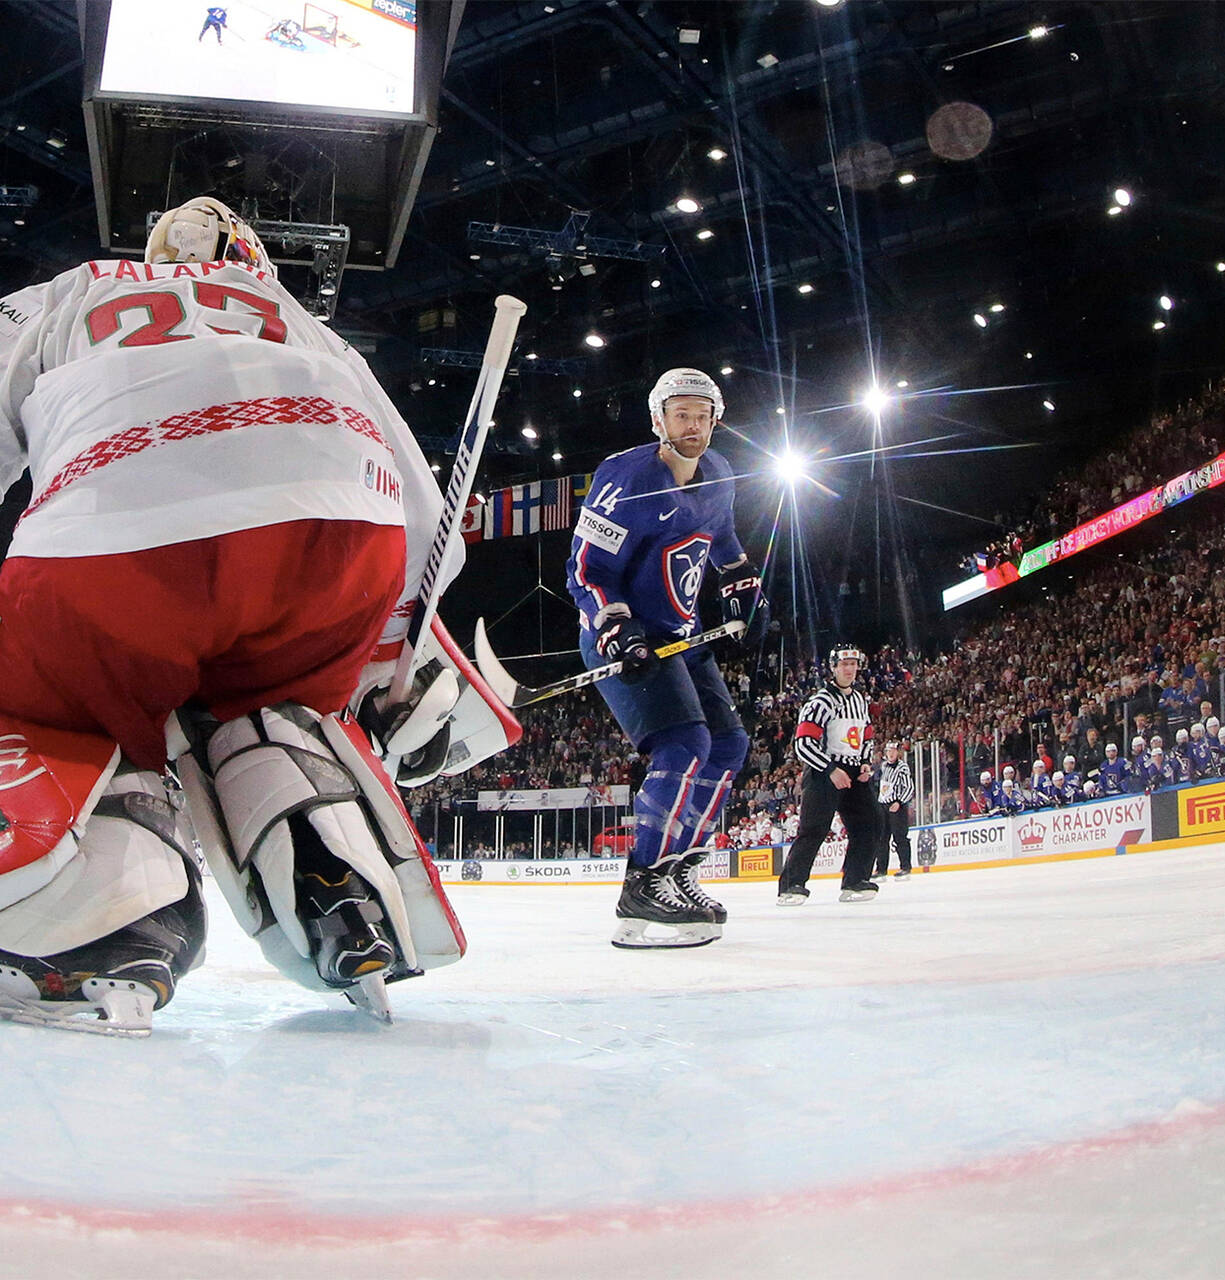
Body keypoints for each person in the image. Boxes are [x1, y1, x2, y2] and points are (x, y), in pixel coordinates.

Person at [0, 196, 506, 1034]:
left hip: (121, 517)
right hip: (339, 527)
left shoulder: (70, 289)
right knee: (276, 710)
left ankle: (102, 921)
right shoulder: (295, 317)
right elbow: (424, 514)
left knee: (57, 699)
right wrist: (391, 670)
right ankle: (340, 882)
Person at [566, 368, 764, 948]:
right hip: (625, 637)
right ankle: (642, 885)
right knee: (684, 745)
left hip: (685, 635)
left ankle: (679, 869)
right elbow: (586, 569)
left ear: (716, 420)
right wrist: (615, 625)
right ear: (658, 420)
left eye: (703, 415)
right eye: (681, 414)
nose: (694, 425)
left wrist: (742, 584)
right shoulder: (625, 476)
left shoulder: (721, 473)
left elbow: (723, 543)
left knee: (729, 744)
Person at [776, 645, 878, 905]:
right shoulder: (820, 701)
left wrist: (865, 762)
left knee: (870, 823)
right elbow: (803, 743)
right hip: (824, 771)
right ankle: (791, 885)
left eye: (853, 664)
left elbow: (866, 735)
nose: (849, 669)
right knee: (814, 829)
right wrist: (830, 770)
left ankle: (855, 880)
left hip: (854, 771)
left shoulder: (859, 700)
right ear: (833, 667)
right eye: (844, 664)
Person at [874, 738, 914, 877]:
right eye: (888, 751)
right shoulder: (884, 766)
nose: (890, 754)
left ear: (898, 752)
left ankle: (905, 866)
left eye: (893, 751)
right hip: (883, 806)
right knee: (882, 838)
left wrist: (900, 802)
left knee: (900, 837)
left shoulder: (902, 767)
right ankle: (881, 869)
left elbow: (909, 787)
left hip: (897, 806)